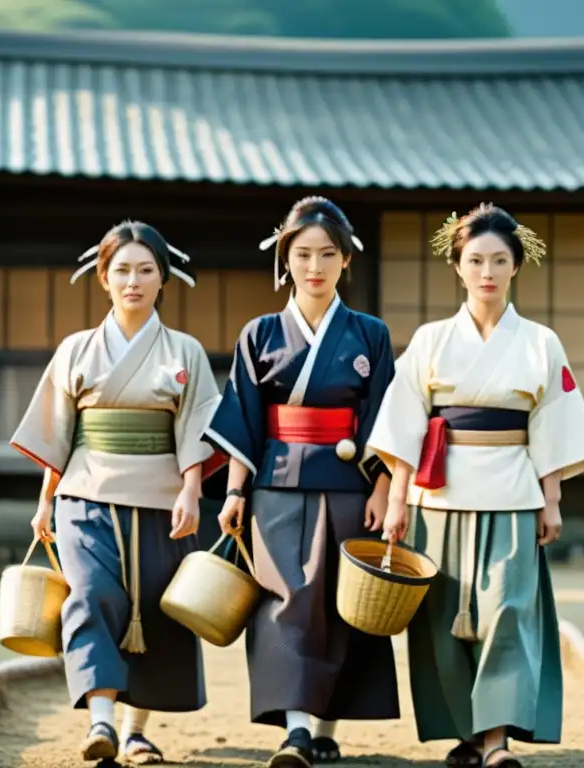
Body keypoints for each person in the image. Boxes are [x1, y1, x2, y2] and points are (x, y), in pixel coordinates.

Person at [365, 204, 584, 768]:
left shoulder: (540, 342)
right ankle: (465, 734)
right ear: (458, 266)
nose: (487, 272)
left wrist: (552, 500)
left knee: (507, 610)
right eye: (475, 260)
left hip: (514, 495)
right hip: (439, 497)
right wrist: (397, 501)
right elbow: (403, 427)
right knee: (443, 619)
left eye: (499, 260)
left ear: (517, 266)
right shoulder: (430, 340)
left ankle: (495, 738)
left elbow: (552, 425)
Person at [9, 220, 222, 765]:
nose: (134, 281)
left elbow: (195, 427)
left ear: (162, 278)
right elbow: (57, 431)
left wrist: (192, 491)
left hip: (162, 496)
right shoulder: (76, 349)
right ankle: (101, 722)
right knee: (89, 597)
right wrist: (44, 503)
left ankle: (136, 731)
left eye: (145, 270)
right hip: (86, 495)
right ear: (103, 277)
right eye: (122, 270)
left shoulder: (185, 351)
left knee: (153, 608)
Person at [205, 196, 400, 768]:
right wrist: (236, 491)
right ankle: (294, 731)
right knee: (285, 600)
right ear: (285, 260)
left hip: (351, 484)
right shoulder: (260, 333)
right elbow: (243, 416)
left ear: (346, 261)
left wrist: (384, 490)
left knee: (343, 606)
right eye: (302, 255)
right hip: (277, 484)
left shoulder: (370, 334)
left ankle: (326, 727)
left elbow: (385, 416)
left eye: (327, 255)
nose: (314, 266)